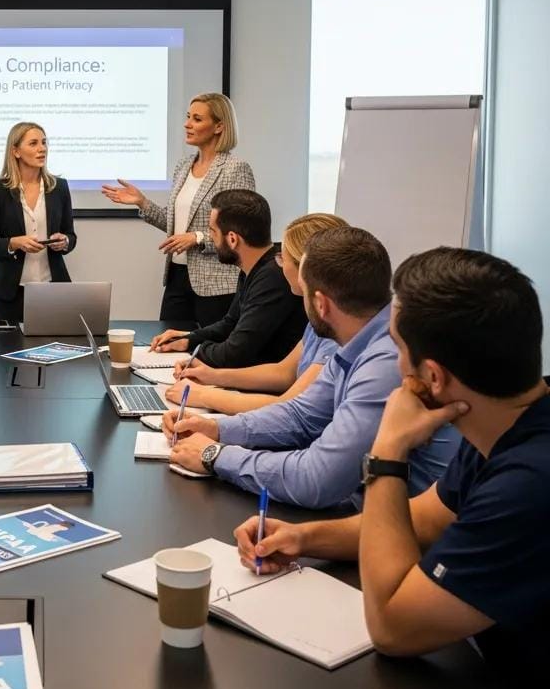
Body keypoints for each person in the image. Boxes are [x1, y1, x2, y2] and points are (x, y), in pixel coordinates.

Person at [233, 248, 550, 689]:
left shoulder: (529, 484)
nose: (392, 362)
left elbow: (392, 627)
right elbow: (425, 519)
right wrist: (304, 537)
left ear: (433, 378)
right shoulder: (506, 423)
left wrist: (389, 449)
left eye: (397, 347)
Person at [166, 226, 459, 509]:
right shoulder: (359, 339)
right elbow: (301, 415)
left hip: (392, 524)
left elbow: (316, 478)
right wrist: (217, 428)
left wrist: (216, 455)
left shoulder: (384, 362)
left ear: (321, 304)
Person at [164, 213, 346, 412]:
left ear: (304, 269)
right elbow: (283, 373)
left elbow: (292, 408)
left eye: (282, 258)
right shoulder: (318, 319)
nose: (279, 265)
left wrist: (203, 396)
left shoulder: (336, 330)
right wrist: (212, 376)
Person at [101, 93, 255, 326]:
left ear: (219, 127)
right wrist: (142, 202)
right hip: (177, 276)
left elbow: (241, 232)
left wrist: (198, 238)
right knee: (167, 342)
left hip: (216, 283)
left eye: (197, 119)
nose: (187, 124)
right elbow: (175, 226)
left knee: (210, 346)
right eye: (188, 117)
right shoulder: (183, 166)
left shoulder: (235, 169)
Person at [150, 190, 305, 369]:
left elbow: (235, 352)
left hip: (262, 379)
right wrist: (189, 339)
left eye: (213, 232)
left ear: (232, 239)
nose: (211, 239)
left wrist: (193, 355)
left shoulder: (272, 277)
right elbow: (230, 324)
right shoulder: (254, 267)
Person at [0, 122, 76, 323]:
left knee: (55, 342)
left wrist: (64, 241)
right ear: (16, 151)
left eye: (44, 142)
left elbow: (71, 236)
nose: (42, 149)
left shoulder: (59, 188)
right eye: (33, 143)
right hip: (10, 292)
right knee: (12, 342)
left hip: (53, 288)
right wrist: (14, 243)